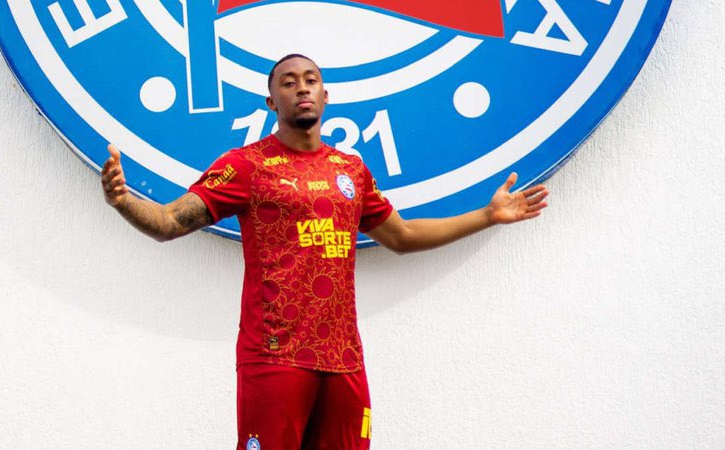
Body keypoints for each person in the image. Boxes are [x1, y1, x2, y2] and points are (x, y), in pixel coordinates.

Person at [101, 54, 548, 450]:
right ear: (271, 102)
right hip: (275, 356)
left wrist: (487, 216)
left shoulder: (350, 170)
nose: (301, 88)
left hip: (343, 360)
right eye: (289, 82)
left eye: (310, 80)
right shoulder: (246, 166)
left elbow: (404, 236)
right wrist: (123, 201)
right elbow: (169, 222)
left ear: (325, 95)